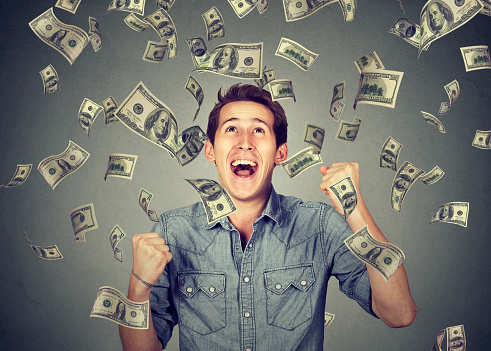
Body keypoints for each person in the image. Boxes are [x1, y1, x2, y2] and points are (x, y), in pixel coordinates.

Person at [119, 84, 417, 350]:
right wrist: (137, 287)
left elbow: (399, 314)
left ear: (280, 153)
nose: (245, 141)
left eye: (259, 130)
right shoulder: (173, 232)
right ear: (210, 150)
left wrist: (356, 209)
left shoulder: (319, 226)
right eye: (231, 129)